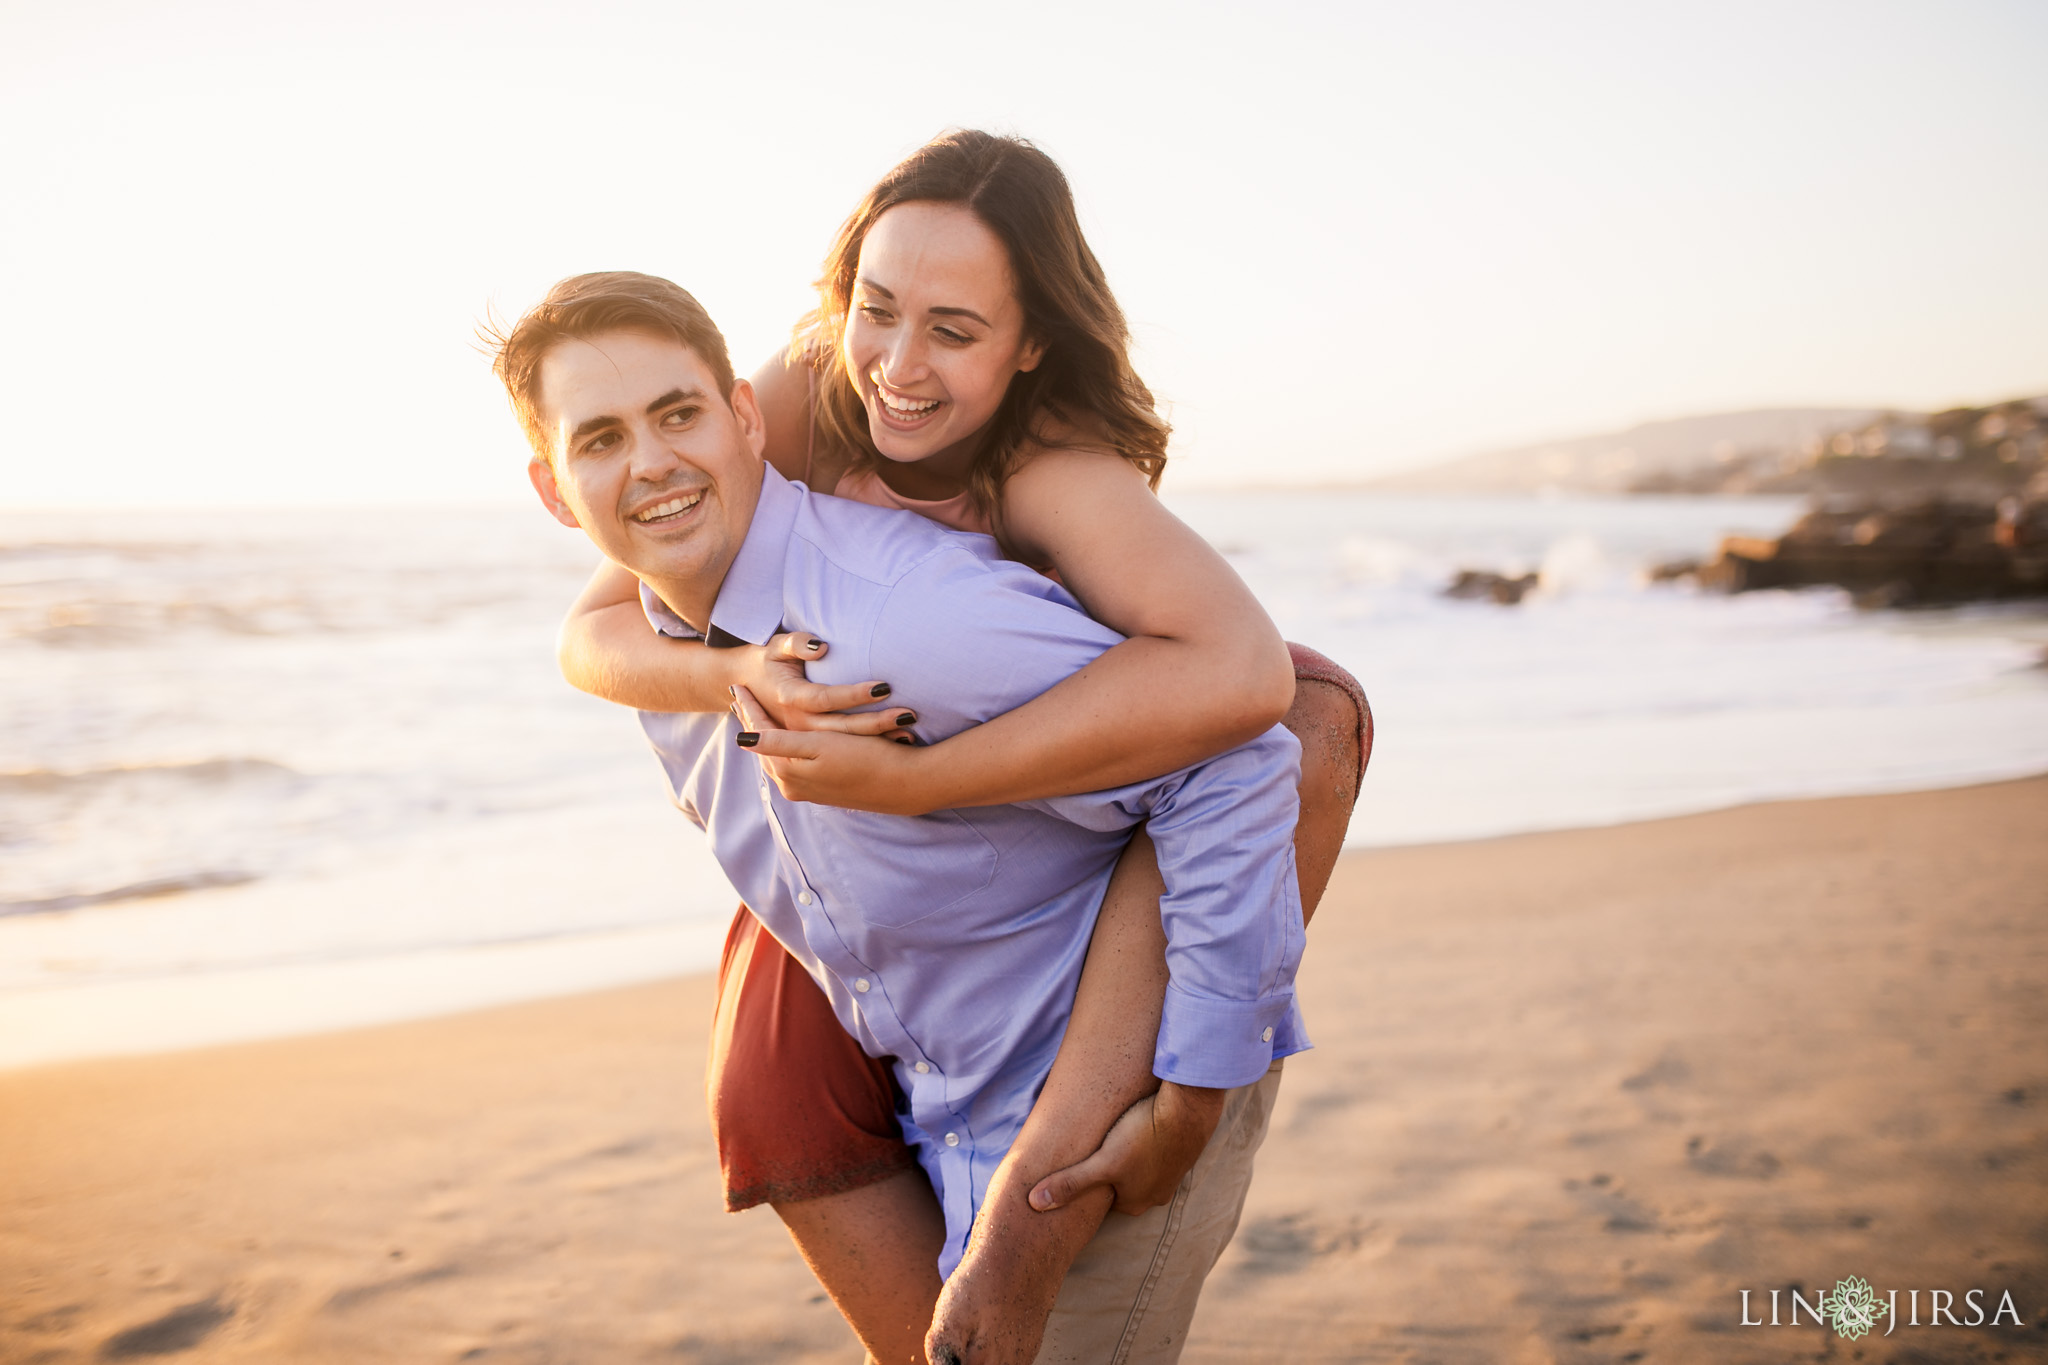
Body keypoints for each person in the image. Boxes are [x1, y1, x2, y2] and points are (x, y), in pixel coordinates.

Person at [549, 132, 1371, 1363]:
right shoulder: (804, 387)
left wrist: (920, 779)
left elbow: (1252, 692)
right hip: (845, 878)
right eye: (874, 310)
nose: (896, 366)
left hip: (1030, 839)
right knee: (802, 1140)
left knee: (1318, 712)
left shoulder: (1052, 470)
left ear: (1030, 338)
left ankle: (1082, 1158)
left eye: (953, 329)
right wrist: (734, 676)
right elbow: (595, 630)